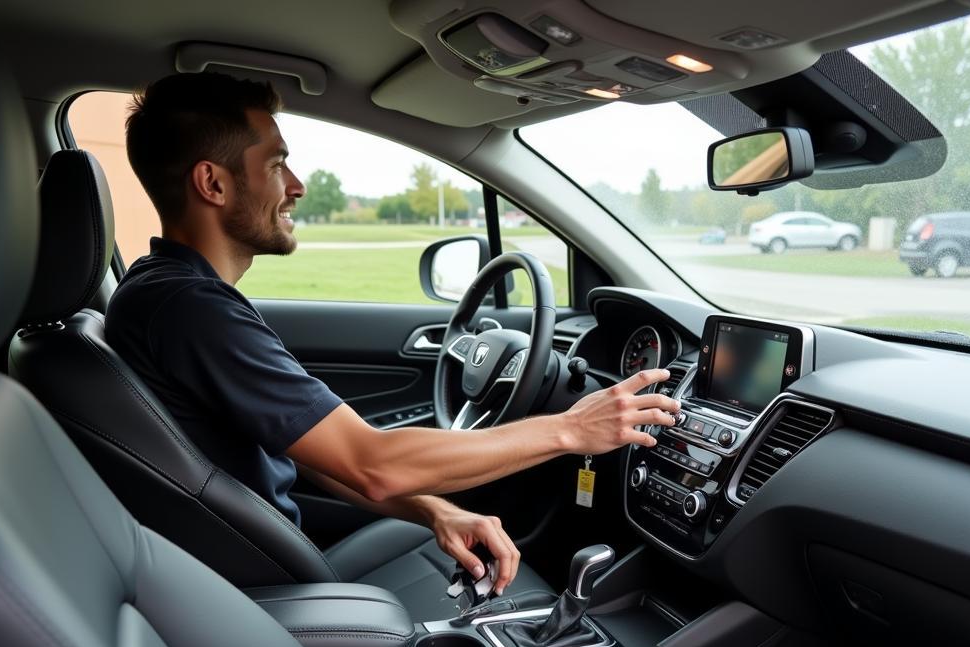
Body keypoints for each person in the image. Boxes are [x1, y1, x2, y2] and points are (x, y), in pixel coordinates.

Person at [105, 72, 680, 595]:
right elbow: (371, 463)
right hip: (271, 591)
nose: (298, 185)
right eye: (277, 163)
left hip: (269, 553)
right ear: (213, 183)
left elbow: (313, 448)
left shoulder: (165, 292)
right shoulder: (192, 310)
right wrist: (571, 429)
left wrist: (436, 512)